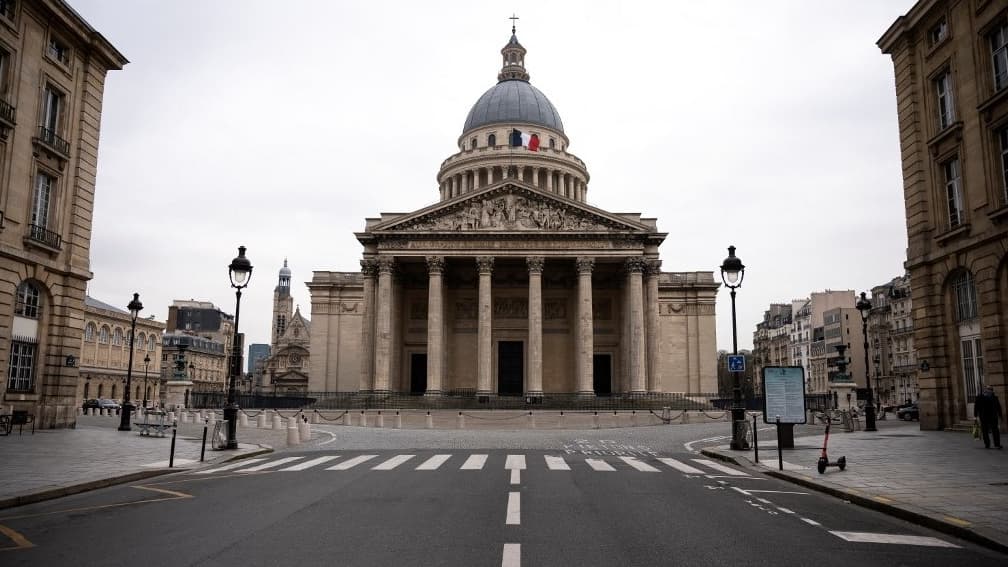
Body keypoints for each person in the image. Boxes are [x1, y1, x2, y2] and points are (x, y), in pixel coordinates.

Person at [974, 385, 1003, 449]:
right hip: (984, 417)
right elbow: (976, 407)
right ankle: (987, 444)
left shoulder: (995, 397)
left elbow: (998, 407)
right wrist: (975, 416)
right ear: (985, 390)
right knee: (985, 431)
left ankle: (997, 444)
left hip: (993, 416)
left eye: (991, 389)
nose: (990, 390)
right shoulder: (979, 397)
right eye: (988, 389)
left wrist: (1000, 415)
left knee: (995, 430)